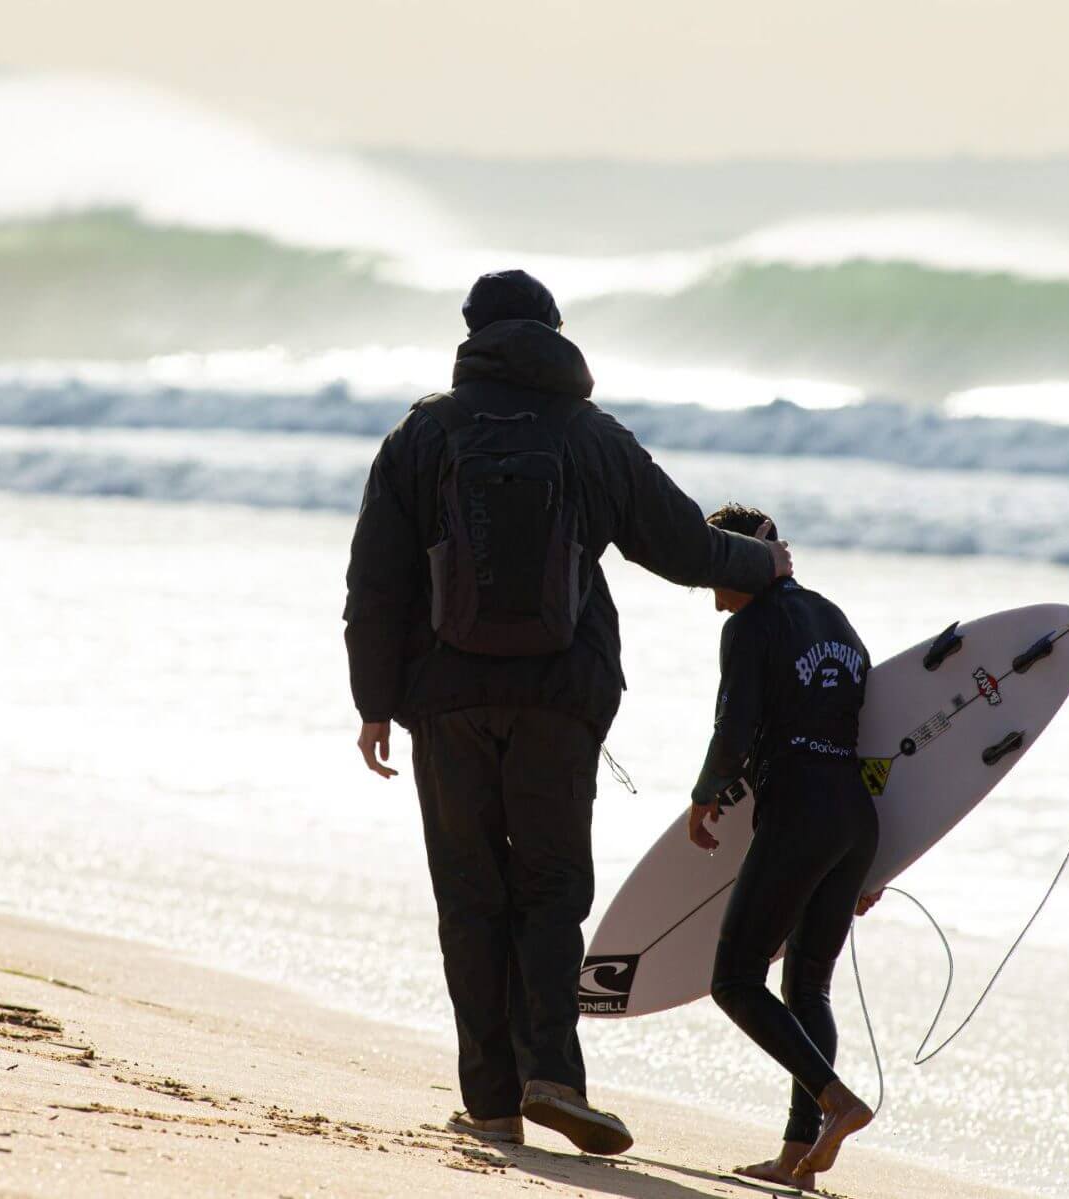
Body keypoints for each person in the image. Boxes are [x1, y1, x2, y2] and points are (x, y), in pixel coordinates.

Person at [344, 270, 793, 1154]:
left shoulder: (422, 433)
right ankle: (552, 1070)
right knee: (551, 887)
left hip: (446, 699)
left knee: (470, 892)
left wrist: (374, 702)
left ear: (472, 332)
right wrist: (761, 562)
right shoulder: (589, 434)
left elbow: (377, 579)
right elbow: (677, 543)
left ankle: (492, 1101)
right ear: (554, 330)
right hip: (560, 696)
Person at [686, 503, 876, 1188]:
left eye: (715, 575)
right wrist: (878, 856)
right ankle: (798, 1158)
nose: (714, 600)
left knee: (734, 977)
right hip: (855, 813)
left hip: (798, 809)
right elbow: (877, 726)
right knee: (808, 986)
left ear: (740, 562)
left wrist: (707, 793)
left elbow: (734, 724)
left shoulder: (750, 626)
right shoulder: (834, 616)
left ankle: (836, 1100)